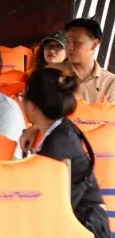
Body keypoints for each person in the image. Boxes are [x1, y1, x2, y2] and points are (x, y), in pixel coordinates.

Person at [22, 68, 111, 238]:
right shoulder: (58, 129)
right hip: (83, 224)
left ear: (32, 105)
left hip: (85, 233)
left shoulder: (56, 145)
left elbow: (49, 206)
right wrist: (33, 128)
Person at [21, 18, 115, 152]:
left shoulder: (111, 82)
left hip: (99, 149)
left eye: (76, 42)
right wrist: (35, 128)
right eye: (67, 41)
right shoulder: (51, 72)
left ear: (94, 44)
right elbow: (39, 112)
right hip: (58, 144)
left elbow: (110, 123)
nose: (69, 47)